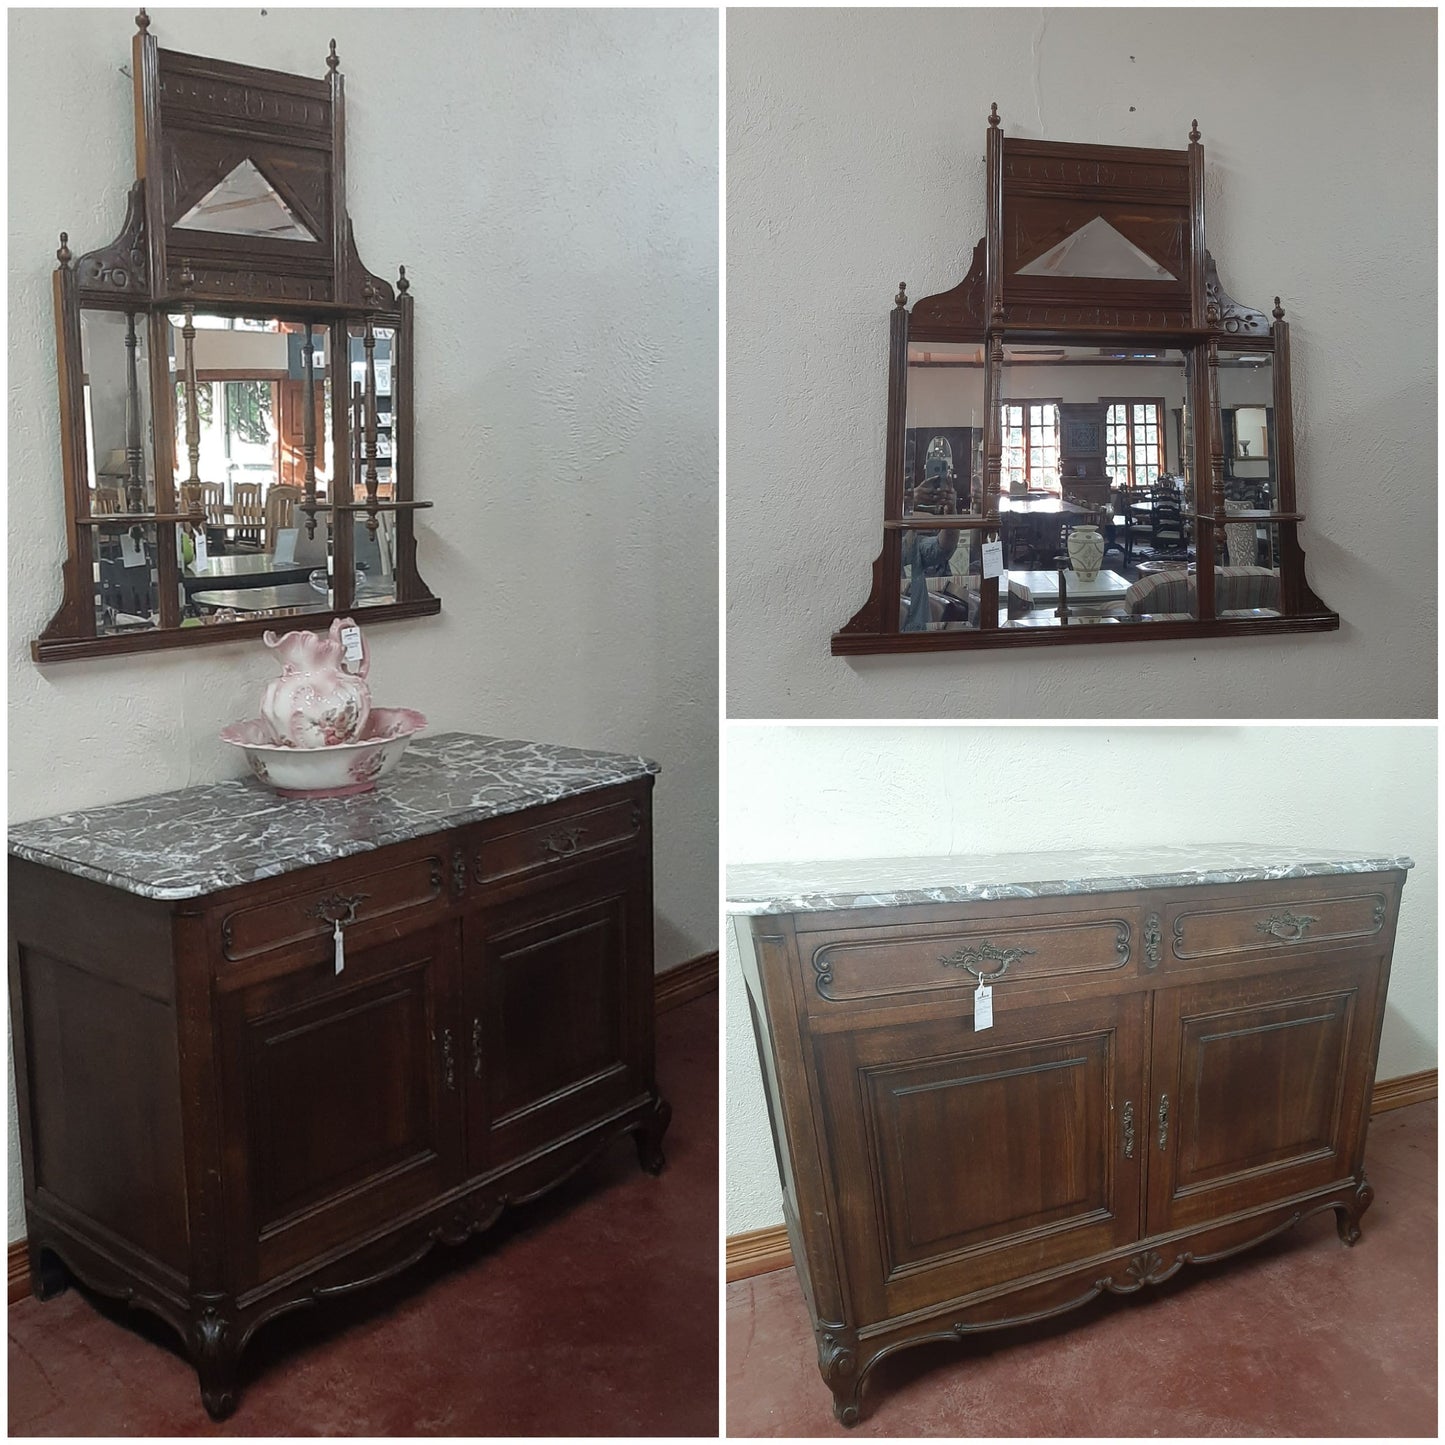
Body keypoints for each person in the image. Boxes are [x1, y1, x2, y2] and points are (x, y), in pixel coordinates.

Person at [901, 459, 963, 631]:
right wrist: (907, 503)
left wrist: (951, 511)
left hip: (920, 632)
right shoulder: (885, 541)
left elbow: (942, 549)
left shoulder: (913, 544)